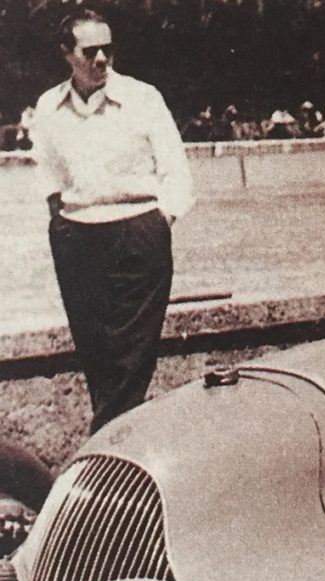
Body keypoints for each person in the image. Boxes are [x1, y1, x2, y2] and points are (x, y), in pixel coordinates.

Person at [31, 9, 194, 435]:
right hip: (76, 236)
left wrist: (161, 219)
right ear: (68, 54)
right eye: (90, 51)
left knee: (131, 357)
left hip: (137, 231)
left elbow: (176, 169)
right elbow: (48, 173)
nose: (102, 58)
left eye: (108, 48)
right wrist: (62, 219)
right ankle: (117, 445)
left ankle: (102, 449)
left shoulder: (144, 98)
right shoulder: (49, 106)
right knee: (97, 354)